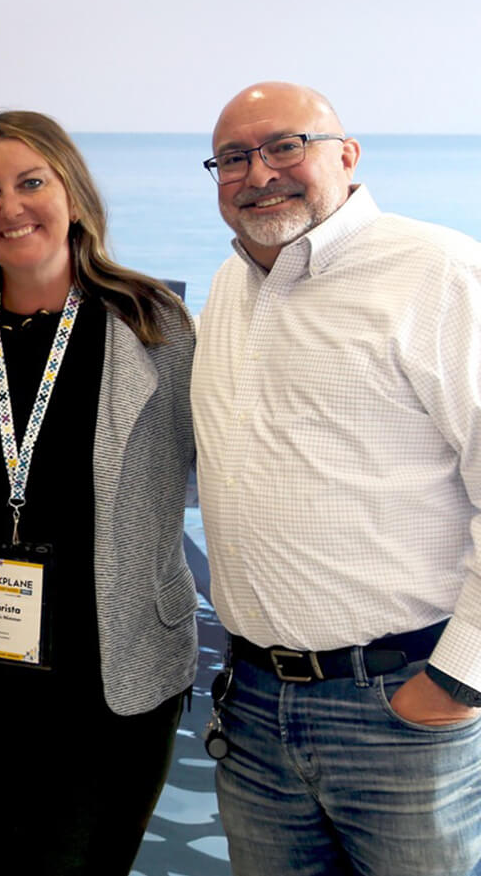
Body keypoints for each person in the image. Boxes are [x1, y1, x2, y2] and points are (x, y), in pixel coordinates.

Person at [194, 82, 481, 876]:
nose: (259, 173)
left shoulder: (441, 273)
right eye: (233, 158)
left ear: (347, 155)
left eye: (285, 146)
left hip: (398, 708)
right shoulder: (228, 290)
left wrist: (458, 679)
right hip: (251, 707)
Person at [0, 110, 198, 874]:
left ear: (72, 193)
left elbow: (233, 466)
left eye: (30, 182)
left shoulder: (155, 325)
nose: (10, 207)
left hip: (110, 681)